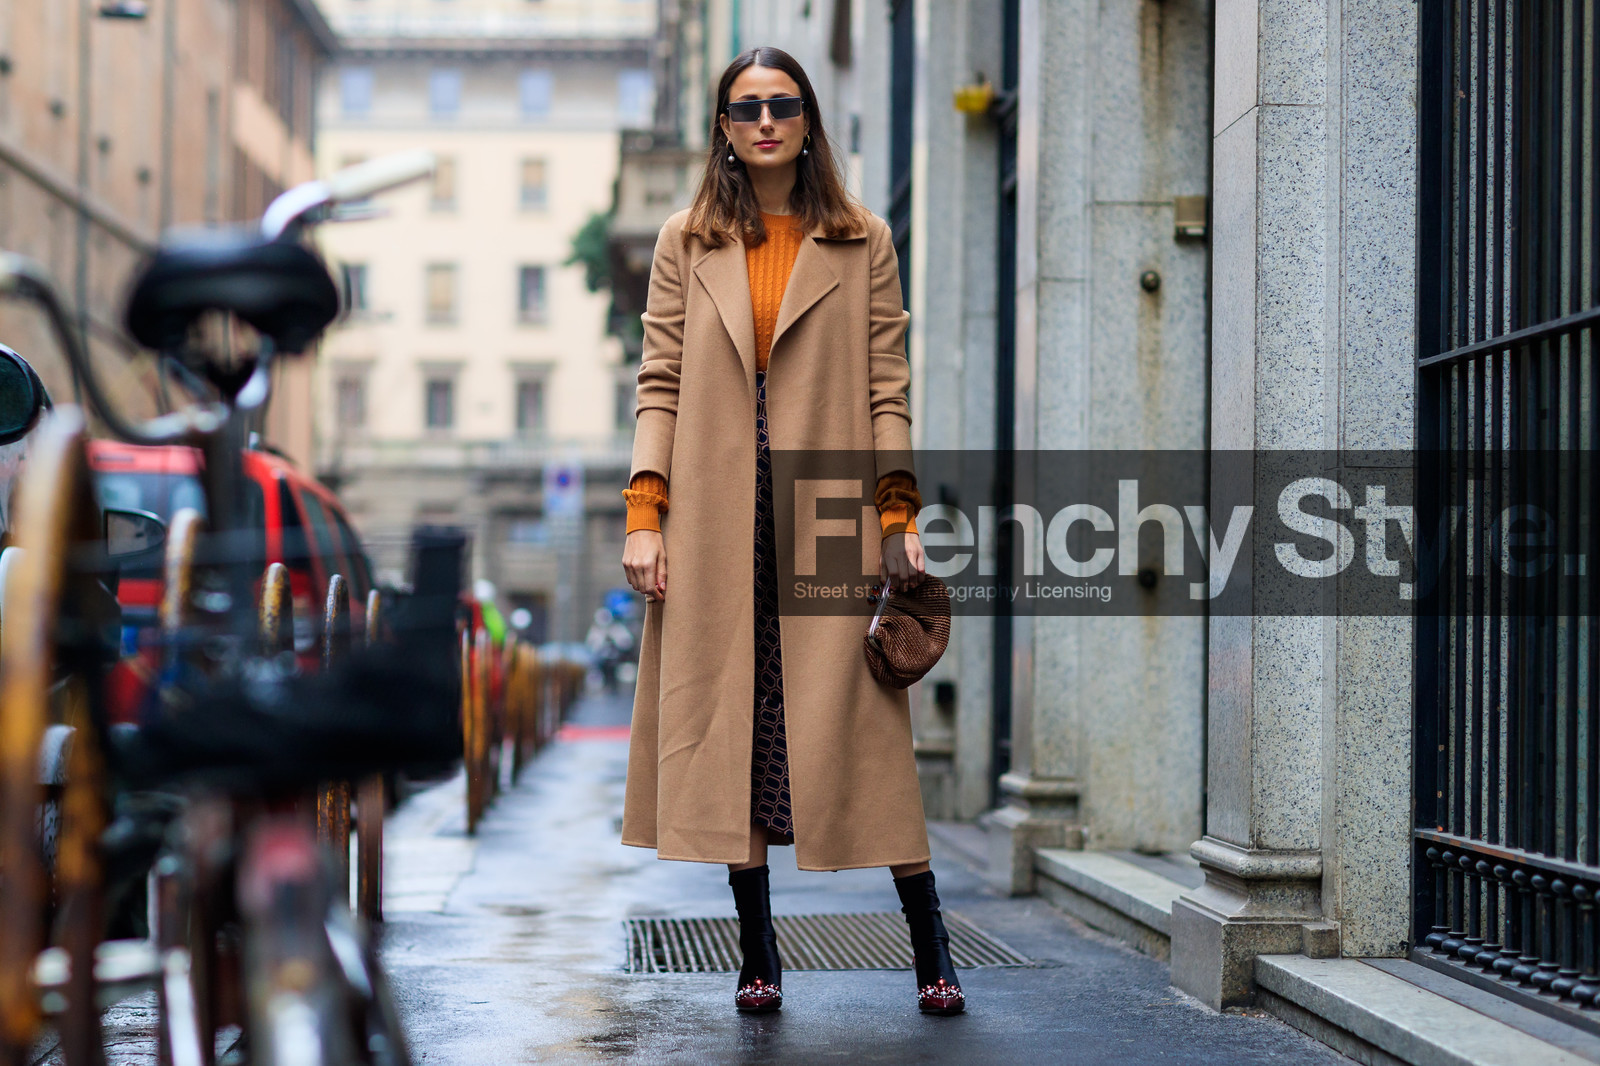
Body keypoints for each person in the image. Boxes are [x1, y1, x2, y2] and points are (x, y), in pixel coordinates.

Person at [619, 47, 963, 1017]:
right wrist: (646, 516)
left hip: (826, 510)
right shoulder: (685, 241)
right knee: (734, 731)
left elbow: (886, 387)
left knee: (863, 727)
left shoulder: (862, 240)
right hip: (718, 513)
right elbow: (659, 385)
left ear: (808, 120)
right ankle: (755, 952)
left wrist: (897, 513)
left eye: (781, 104)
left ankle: (930, 943)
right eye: (743, 107)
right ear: (723, 130)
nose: (763, 120)